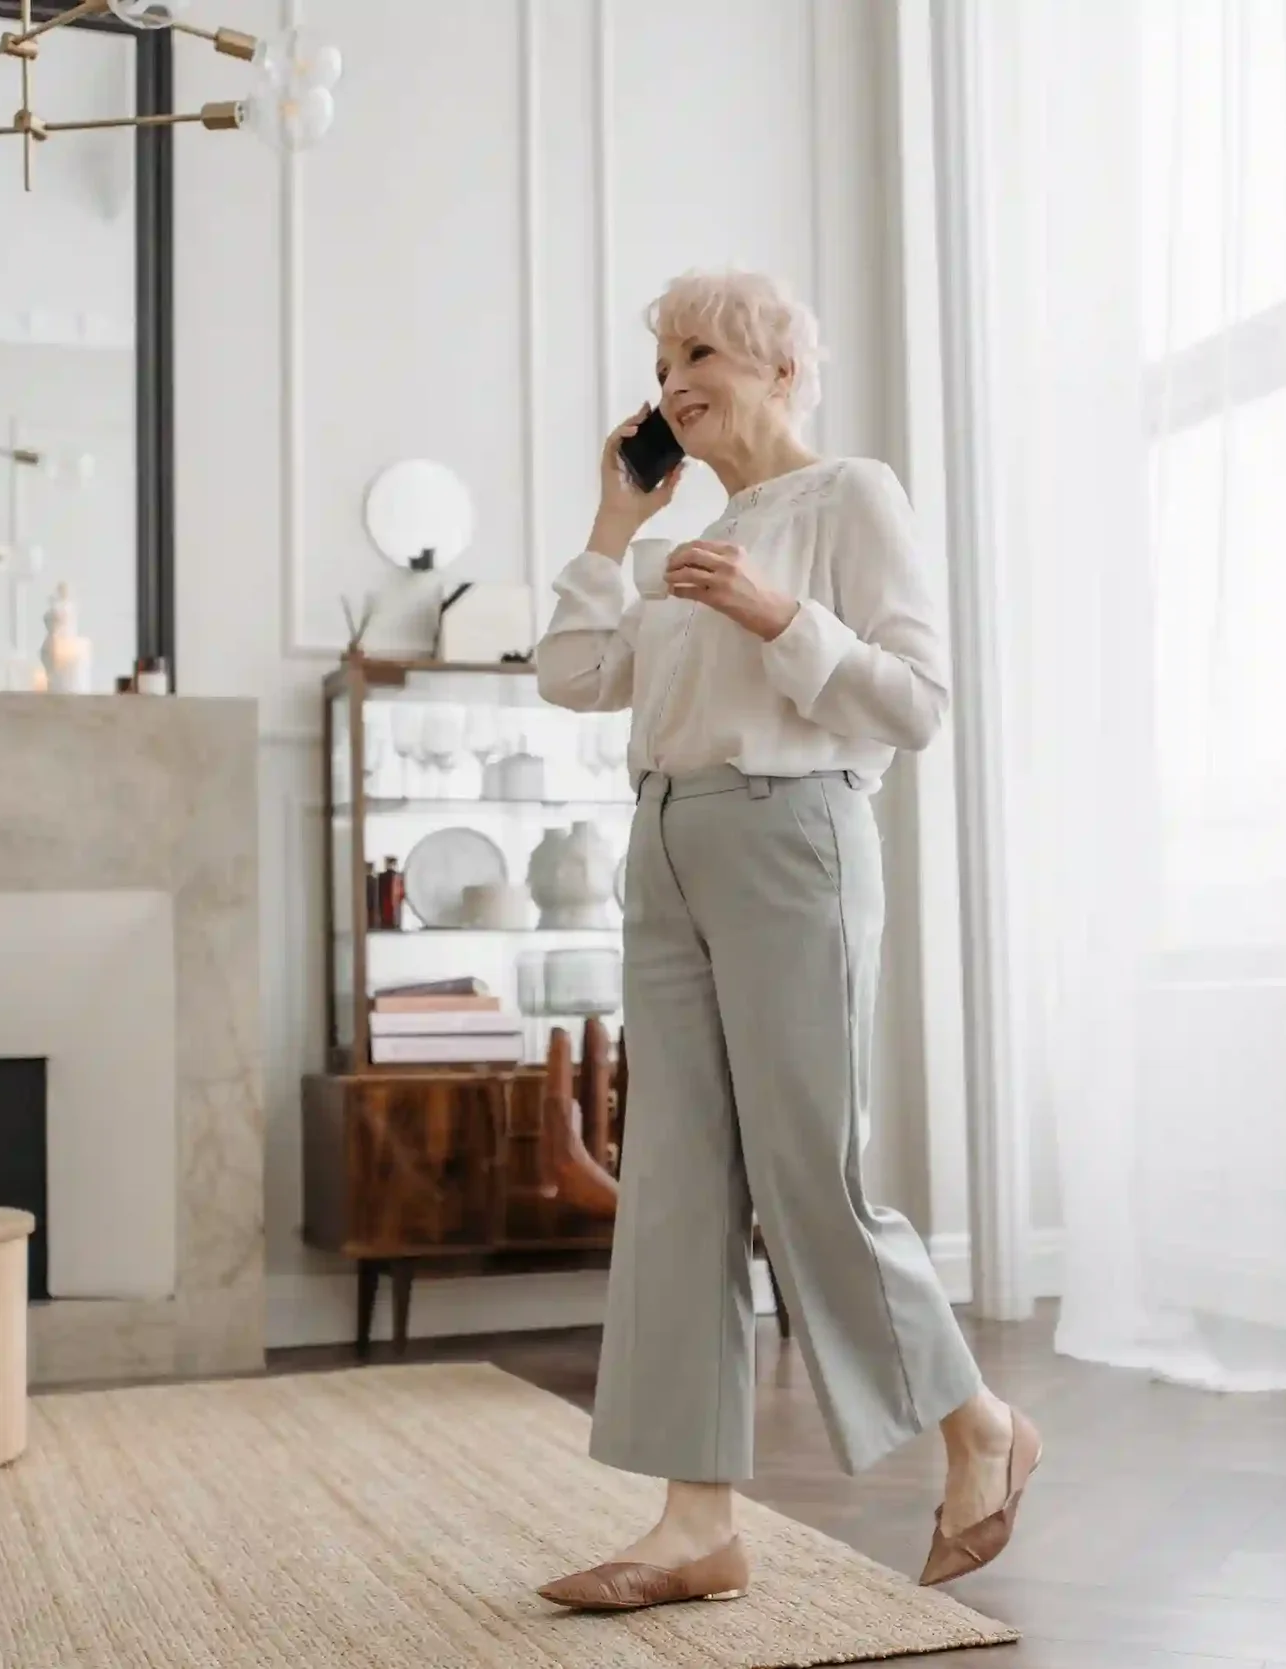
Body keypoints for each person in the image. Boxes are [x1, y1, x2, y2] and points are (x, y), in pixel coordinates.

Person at [531, 270, 1040, 1613]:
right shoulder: (678, 541)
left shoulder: (849, 497)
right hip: (667, 844)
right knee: (681, 1183)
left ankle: (975, 1421)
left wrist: (776, 615)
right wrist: (610, 521)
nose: (673, 376)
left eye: (700, 349)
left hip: (791, 833)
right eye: (662, 356)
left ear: (777, 370)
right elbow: (573, 676)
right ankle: (695, 1522)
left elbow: (919, 701)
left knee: (810, 1170)